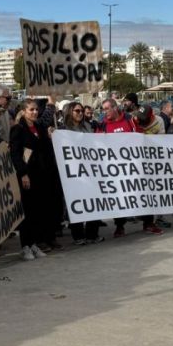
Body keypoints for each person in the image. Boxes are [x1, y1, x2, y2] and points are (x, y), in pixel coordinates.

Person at [99, 98, 163, 236]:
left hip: (136, 165)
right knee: (119, 196)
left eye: (107, 108)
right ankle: (120, 226)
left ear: (115, 108)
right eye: (103, 109)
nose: (104, 112)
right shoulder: (103, 125)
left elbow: (141, 136)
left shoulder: (130, 120)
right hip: (116, 168)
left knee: (144, 193)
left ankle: (148, 223)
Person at [10, 99, 61, 259]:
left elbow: (45, 148)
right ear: (24, 111)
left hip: (42, 174)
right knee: (28, 211)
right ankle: (25, 245)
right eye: (31, 110)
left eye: (36, 110)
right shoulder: (18, 129)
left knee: (39, 210)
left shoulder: (39, 127)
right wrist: (23, 173)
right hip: (27, 175)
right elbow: (15, 154)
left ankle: (34, 243)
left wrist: (51, 136)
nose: (35, 112)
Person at [62, 102, 103, 244]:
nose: (80, 113)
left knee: (95, 200)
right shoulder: (63, 129)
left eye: (81, 111)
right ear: (69, 112)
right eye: (77, 111)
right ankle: (78, 235)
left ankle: (92, 234)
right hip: (74, 172)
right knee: (77, 202)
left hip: (91, 170)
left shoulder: (87, 126)